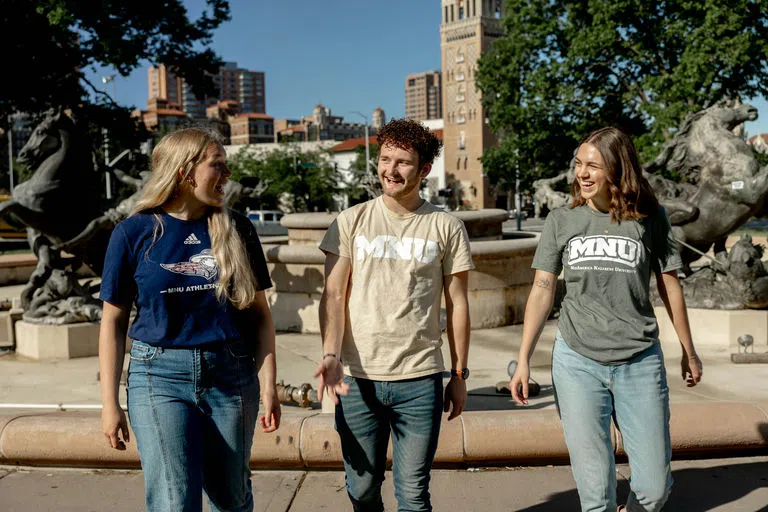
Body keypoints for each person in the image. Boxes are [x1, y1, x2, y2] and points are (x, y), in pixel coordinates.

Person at [510, 127, 703, 512]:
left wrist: (689, 350)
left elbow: (670, 286)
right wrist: (524, 358)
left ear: (616, 169)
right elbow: (543, 288)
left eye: (593, 166)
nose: (582, 173)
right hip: (577, 361)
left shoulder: (651, 218)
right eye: (579, 164)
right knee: (595, 497)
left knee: (652, 489)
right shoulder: (562, 219)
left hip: (639, 360)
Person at [99, 127, 280, 512]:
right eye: (218, 165)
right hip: (157, 376)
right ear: (185, 172)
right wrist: (109, 403)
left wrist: (269, 387)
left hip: (231, 375)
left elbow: (261, 317)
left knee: (231, 497)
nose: (227, 175)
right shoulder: (133, 232)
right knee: (173, 501)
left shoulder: (238, 229)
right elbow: (112, 322)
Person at [314, 119, 474, 511]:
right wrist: (331, 355)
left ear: (423, 170)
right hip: (357, 378)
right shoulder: (350, 221)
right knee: (363, 488)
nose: (391, 169)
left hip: (419, 378)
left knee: (414, 494)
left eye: (403, 162)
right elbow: (334, 295)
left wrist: (458, 375)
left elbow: (458, 303)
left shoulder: (445, 226)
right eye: (385, 159)